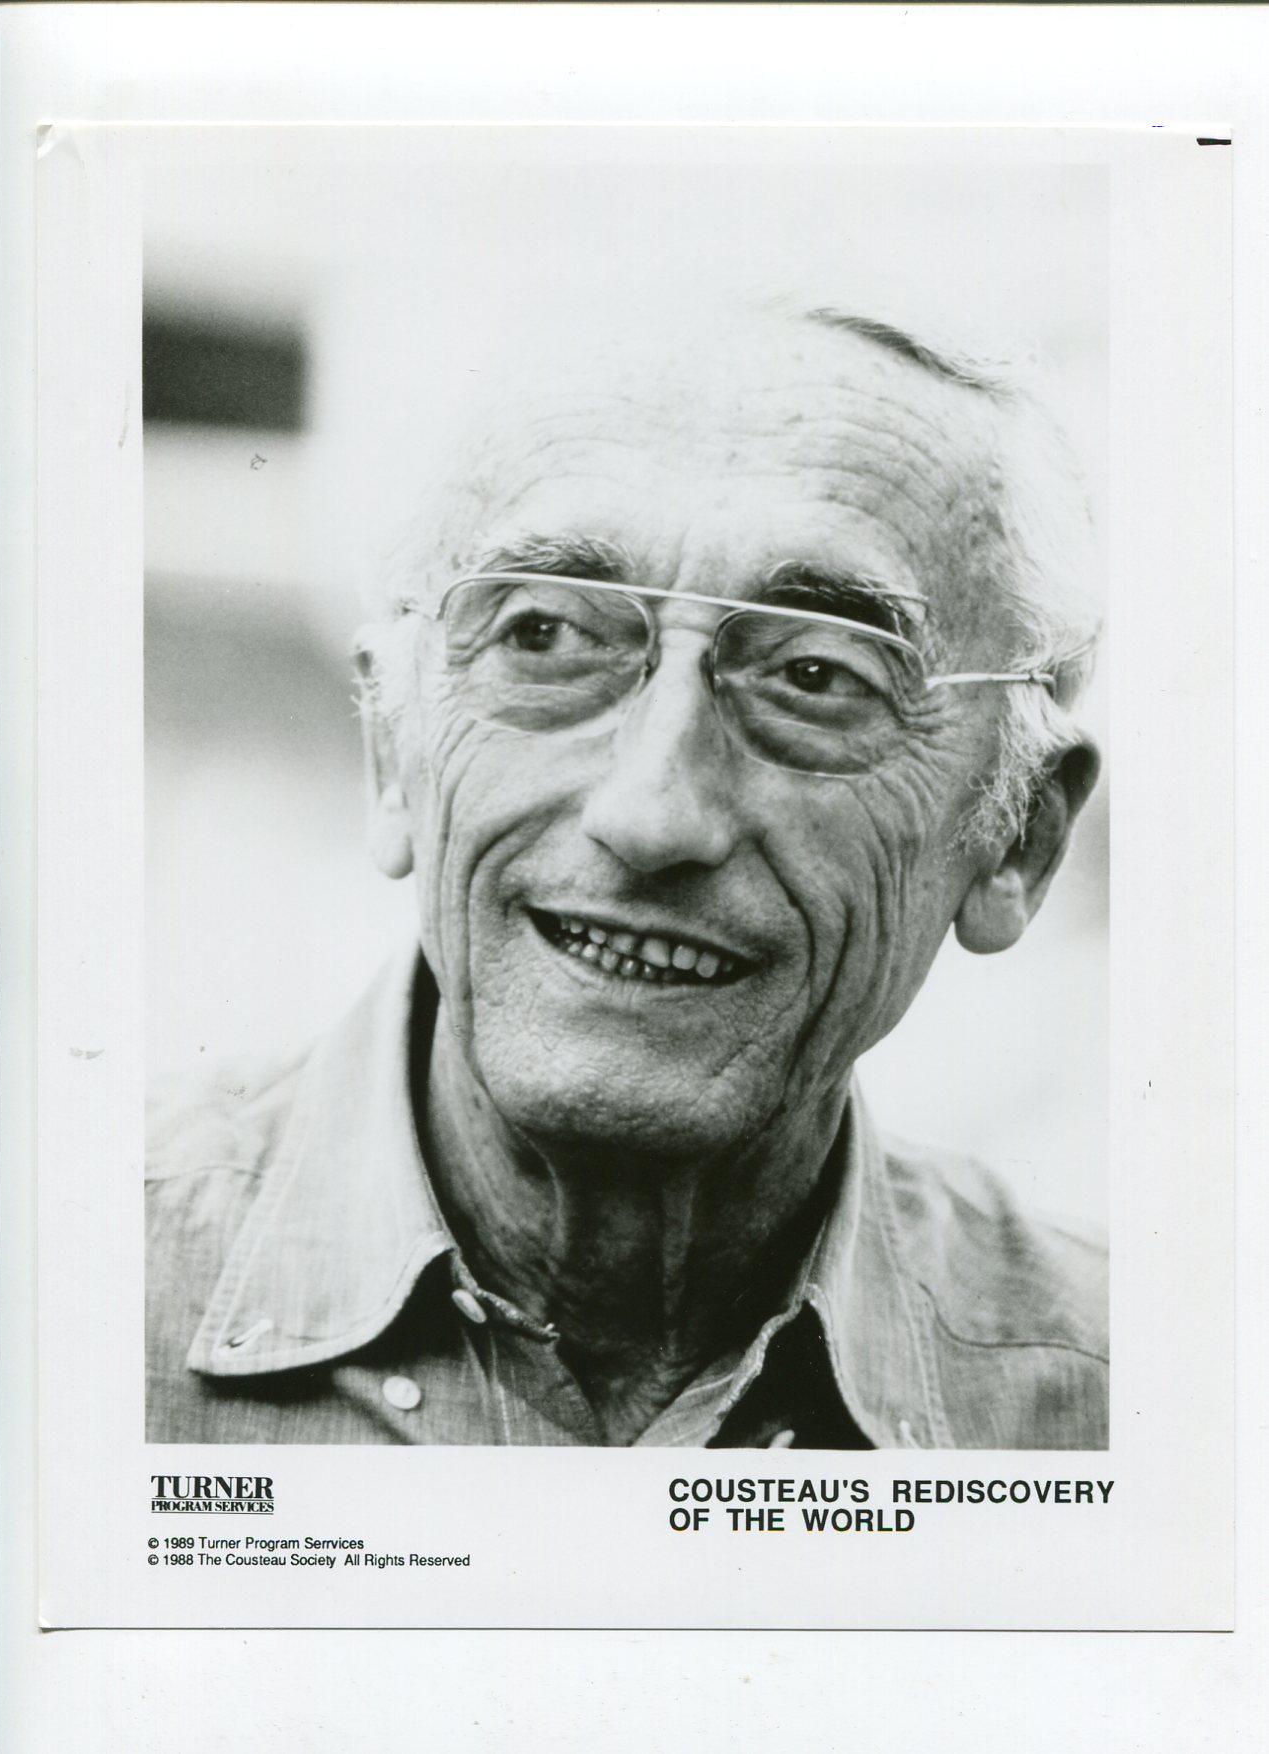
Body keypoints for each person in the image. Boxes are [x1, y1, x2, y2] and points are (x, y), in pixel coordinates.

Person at [147, 298, 1108, 1449]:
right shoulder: (60, 1278)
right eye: (546, 635)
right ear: (391, 751)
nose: (652, 815)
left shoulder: (1134, 1406)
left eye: (815, 674)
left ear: (1019, 838)